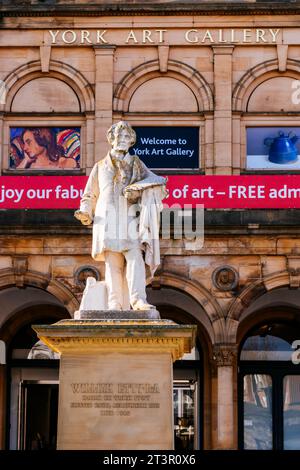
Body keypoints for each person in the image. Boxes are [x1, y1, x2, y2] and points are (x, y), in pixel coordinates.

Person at [75, 121, 167, 310]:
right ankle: (114, 303)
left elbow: (158, 182)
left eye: (126, 137)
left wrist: (138, 191)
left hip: (129, 217)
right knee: (112, 263)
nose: (122, 140)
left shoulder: (137, 164)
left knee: (135, 257)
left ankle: (137, 299)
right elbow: (89, 194)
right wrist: (85, 211)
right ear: (111, 139)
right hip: (106, 218)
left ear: (131, 141)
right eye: (119, 136)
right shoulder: (100, 166)